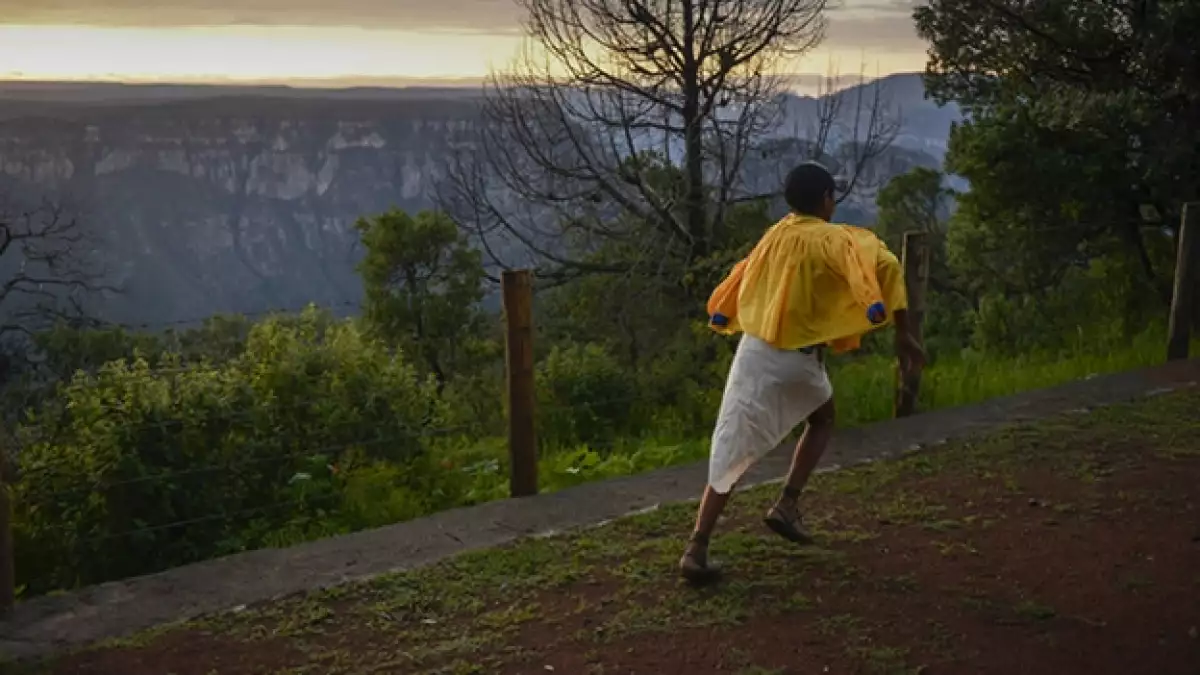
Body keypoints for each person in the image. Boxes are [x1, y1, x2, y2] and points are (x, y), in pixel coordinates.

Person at [679, 161, 926, 583]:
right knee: (824, 418)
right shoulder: (836, 238)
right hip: (798, 358)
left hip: (754, 352)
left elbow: (742, 273)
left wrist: (722, 310)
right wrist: (903, 333)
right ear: (827, 200)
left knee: (731, 447)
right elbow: (884, 266)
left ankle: (697, 546)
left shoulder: (775, 235)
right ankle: (787, 503)